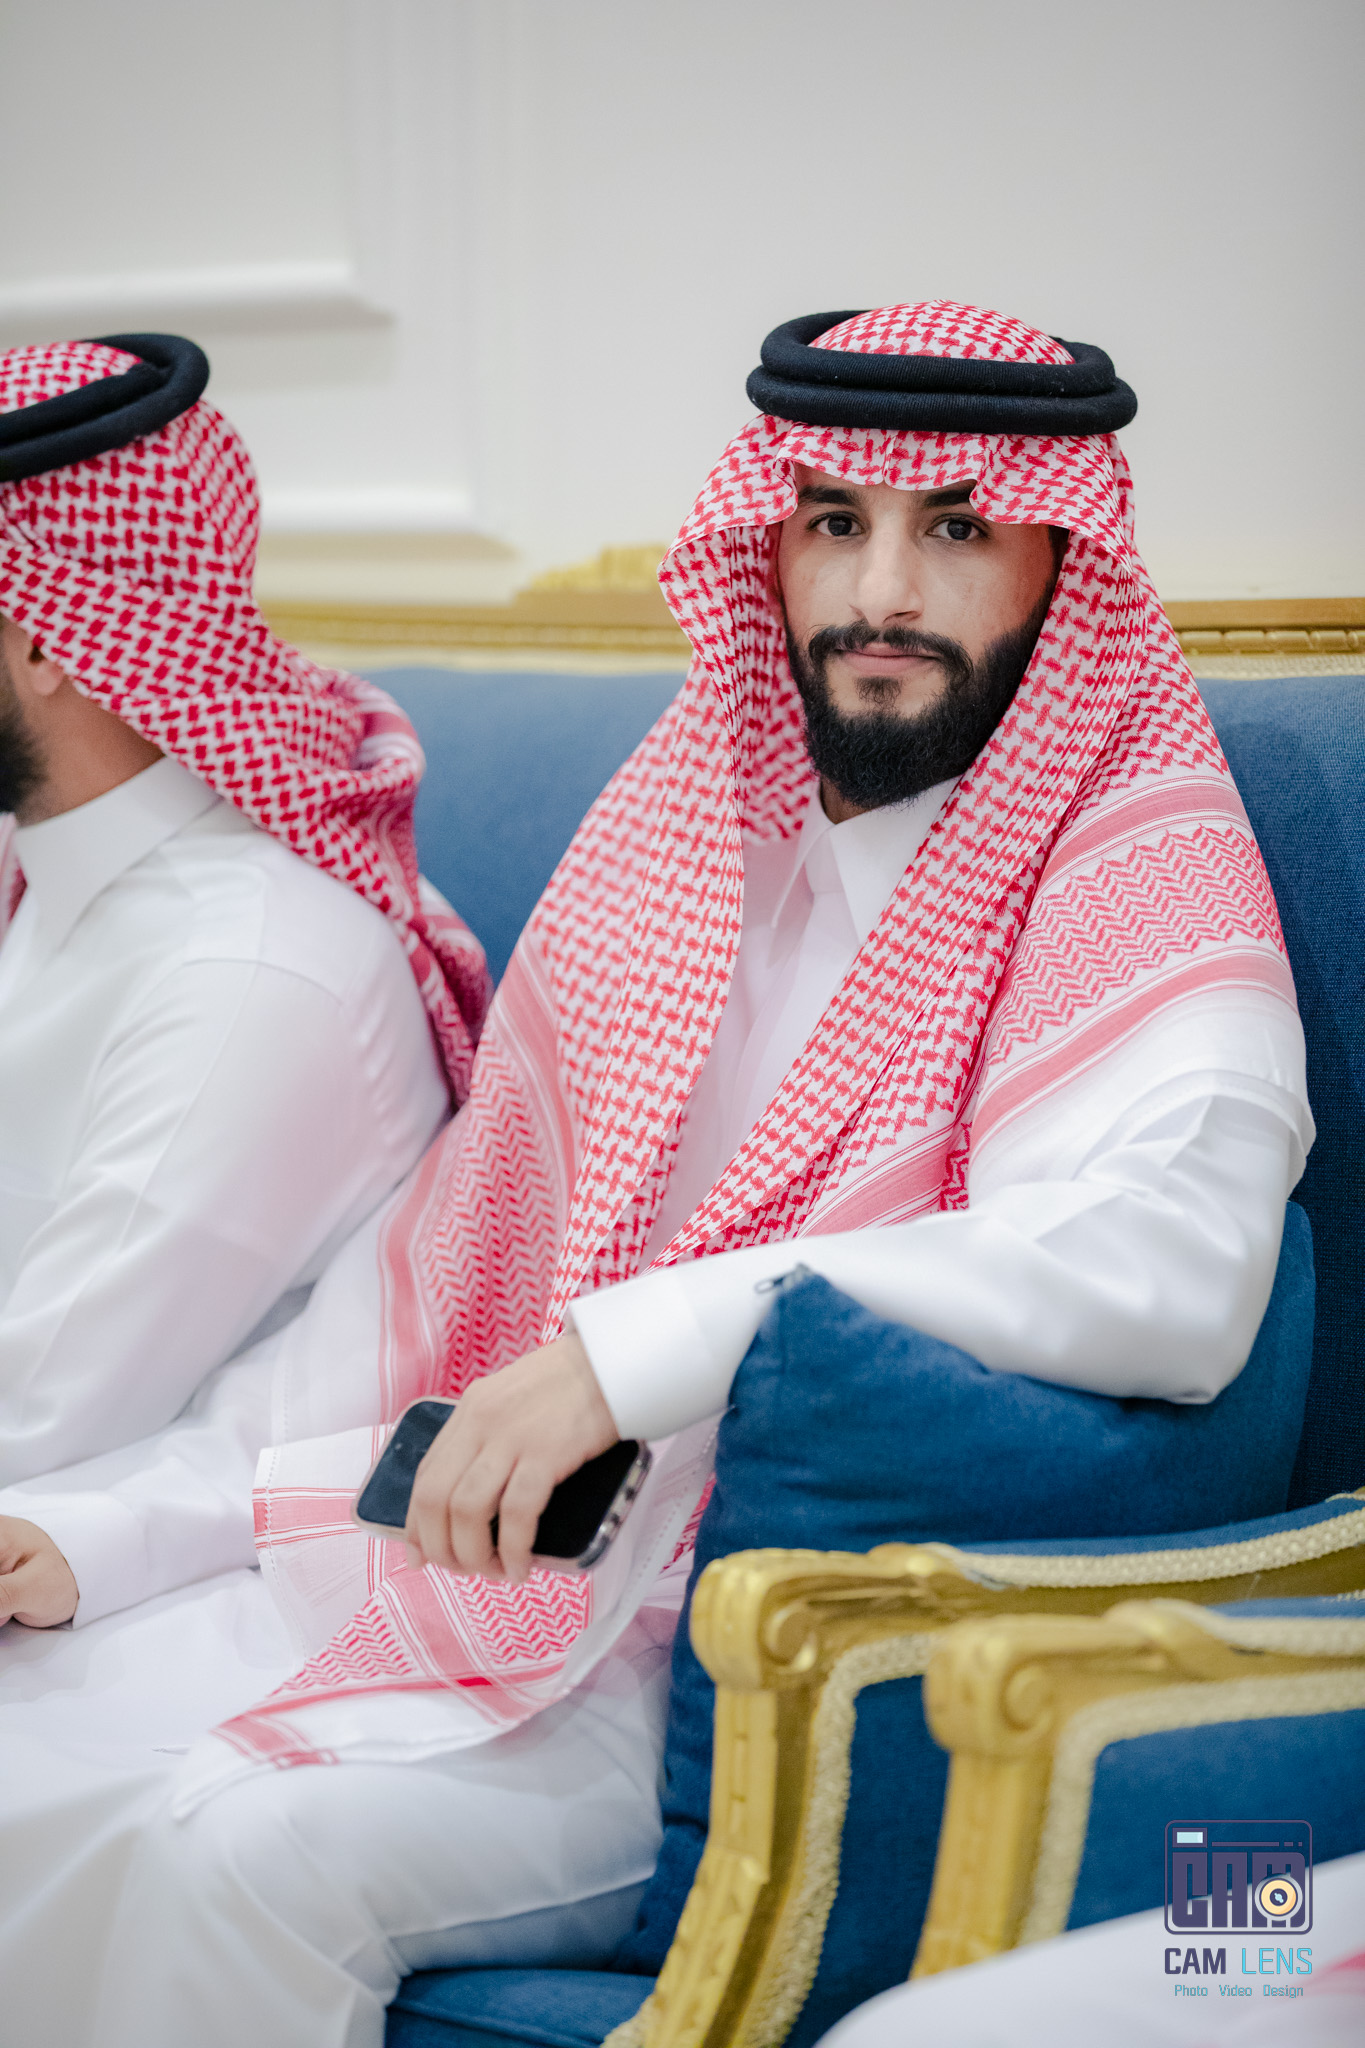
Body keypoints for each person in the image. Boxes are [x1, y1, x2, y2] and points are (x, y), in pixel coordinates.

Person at [0, 304, 1311, 2048]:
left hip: (718, 1678)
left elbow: (1169, 1263)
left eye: (953, 527)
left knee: (219, 1856)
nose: (879, 592)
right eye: (833, 521)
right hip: (456, 1578)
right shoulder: (682, 843)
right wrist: (98, 1531)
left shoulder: (1140, 865)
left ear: (1059, 562)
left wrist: (640, 1349)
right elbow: (410, 1316)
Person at [0, 335, 489, 1635]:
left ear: (45, 641)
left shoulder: (248, 977)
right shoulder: (41, 866)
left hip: (147, 1596)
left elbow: (38, 1419)